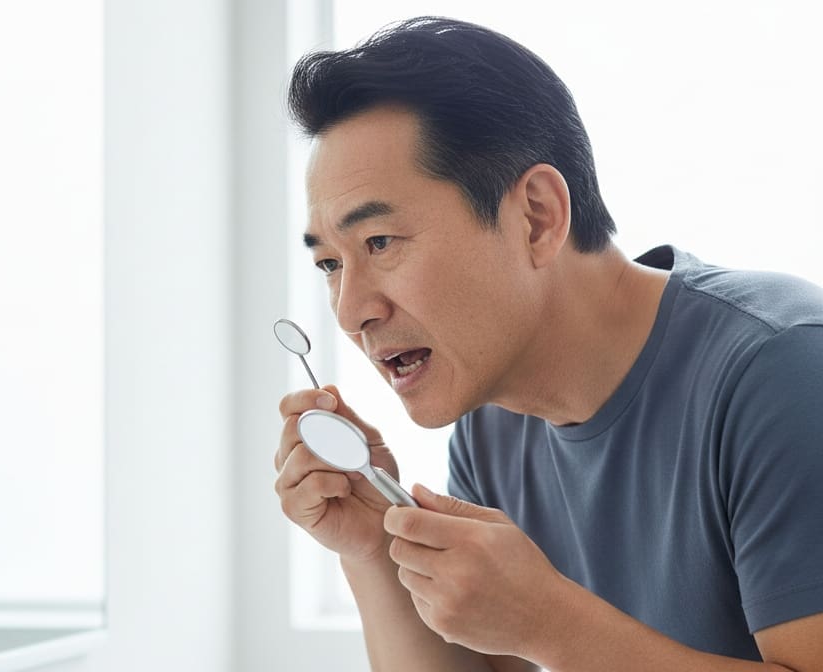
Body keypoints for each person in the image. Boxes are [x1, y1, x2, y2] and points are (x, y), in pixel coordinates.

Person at [272, 16, 823, 672]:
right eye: (330, 264)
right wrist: (371, 552)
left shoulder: (783, 371)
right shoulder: (491, 425)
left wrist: (553, 625)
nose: (351, 311)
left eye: (380, 243)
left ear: (536, 215)